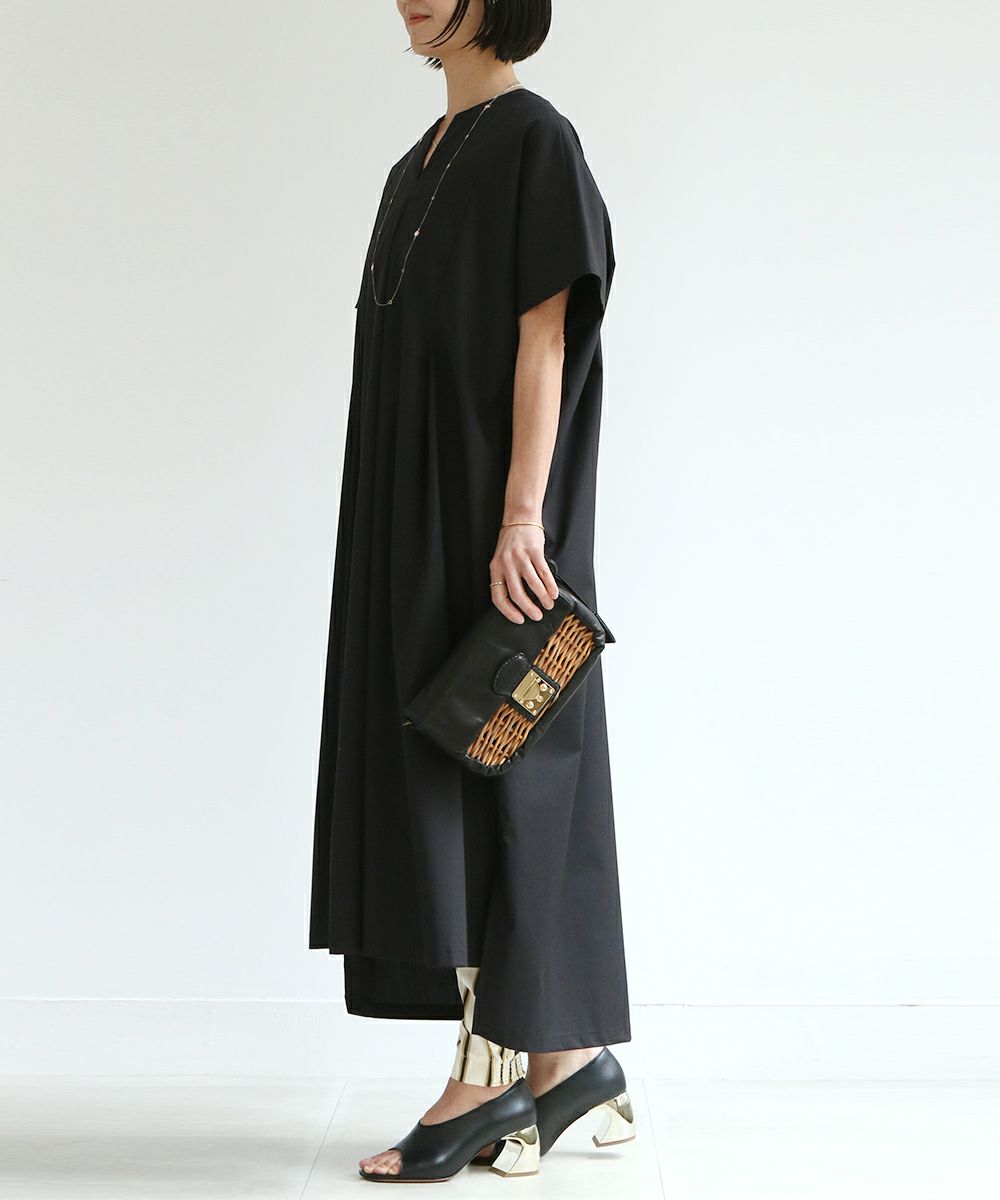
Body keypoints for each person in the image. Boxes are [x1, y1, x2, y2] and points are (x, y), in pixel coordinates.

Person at [308, 0, 634, 1182]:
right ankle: (568, 1060)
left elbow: (544, 338)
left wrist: (519, 517)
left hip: (497, 519)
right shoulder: (416, 165)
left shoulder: (535, 139)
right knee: (449, 762)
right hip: (414, 516)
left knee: (500, 770)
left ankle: (489, 1077)